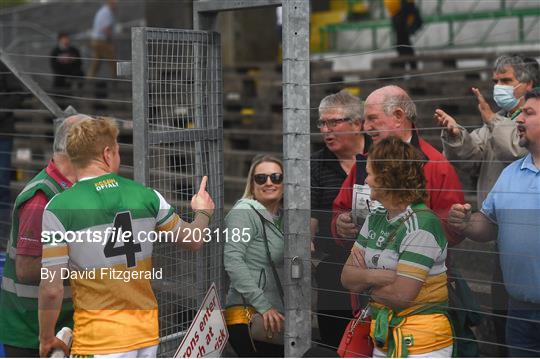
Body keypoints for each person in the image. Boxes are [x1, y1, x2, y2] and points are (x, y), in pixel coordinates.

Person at [38, 116, 215, 357]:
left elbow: (51, 288)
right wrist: (203, 212)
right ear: (108, 153)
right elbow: (193, 239)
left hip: (98, 340)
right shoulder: (147, 195)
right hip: (145, 336)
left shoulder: (58, 208)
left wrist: (46, 338)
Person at [434, 55, 539, 354]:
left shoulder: (506, 123)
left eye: (505, 80)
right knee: (507, 327)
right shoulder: (509, 165)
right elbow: (471, 154)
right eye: (495, 81)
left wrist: (493, 119)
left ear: (528, 84)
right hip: (512, 269)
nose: (497, 86)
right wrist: (456, 135)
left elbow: (516, 148)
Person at [341, 136, 453, 357]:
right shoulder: (376, 216)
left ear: (388, 178)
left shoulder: (422, 223)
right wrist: (380, 276)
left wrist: (364, 279)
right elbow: (346, 278)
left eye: (371, 174)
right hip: (384, 336)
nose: (366, 181)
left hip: (422, 344)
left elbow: (401, 297)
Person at [0, 114, 89, 358]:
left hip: (63, 328)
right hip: (31, 336)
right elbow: (26, 270)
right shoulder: (41, 198)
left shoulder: (74, 192)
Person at [332, 85, 464, 248]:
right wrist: (340, 224)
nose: (366, 127)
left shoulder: (437, 166)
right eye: (365, 120)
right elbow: (339, 211)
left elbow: (454, 233)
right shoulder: (362, 163)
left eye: (372, 118)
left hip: (417, 269)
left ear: (398, 116)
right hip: (364, 265)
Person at [311, 90, 365, 349]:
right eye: (322, 123)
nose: (326, 129)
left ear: (357, 124)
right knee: (334, 344)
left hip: (379, 266)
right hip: (335, 268)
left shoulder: (380, 156)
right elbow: (309, 217)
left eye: (334, 122)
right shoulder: (316, 164)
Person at [224, 155, 284, 357]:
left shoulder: (283, 218)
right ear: (252, 183)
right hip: (250, 315)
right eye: (261, 178)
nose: (269, 182)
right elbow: (233, 261)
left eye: (276, 177)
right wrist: (263, 306)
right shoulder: (244, 213)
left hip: (274, 316)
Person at [0, 63, 25, 246]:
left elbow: (18, 92)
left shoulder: (4, 65)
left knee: (2, 185)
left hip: (2, 133)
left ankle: (2, 237)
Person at [384, 0, 423, 70]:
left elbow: (410, 8)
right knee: (403, 45)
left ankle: (407, 68)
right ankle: (409, 68)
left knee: (403, 44)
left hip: (402, 16)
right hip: (399, 16)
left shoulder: (405, 8)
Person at [87, 0, 117, 79]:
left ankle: (90, 79)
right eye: (115, 3)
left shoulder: (103, 11)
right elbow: (105, 29)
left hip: (96, 41)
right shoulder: (106, 12)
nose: (116, 5)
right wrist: (112, 40)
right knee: (113, 61)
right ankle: (115, 80)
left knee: (96, 63)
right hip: (101, 41)